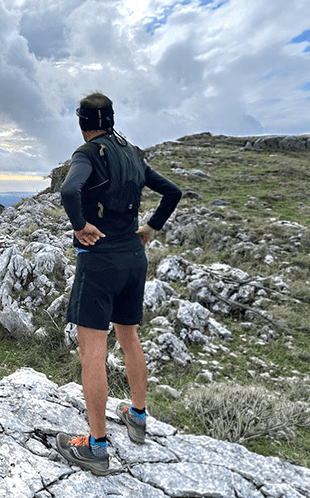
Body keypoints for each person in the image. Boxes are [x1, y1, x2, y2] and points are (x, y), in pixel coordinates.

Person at [54, 92, 182, 476]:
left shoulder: (86, 154)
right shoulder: (133, 154)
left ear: (83, 124)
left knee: (92, 353)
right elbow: (172, 192)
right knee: (129, 337)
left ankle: (96, 448)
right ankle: (137, 416)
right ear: (110, 120)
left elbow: (69, 190)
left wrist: (80, 225)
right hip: (133, 258)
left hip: (100, 262)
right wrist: (151, 227)